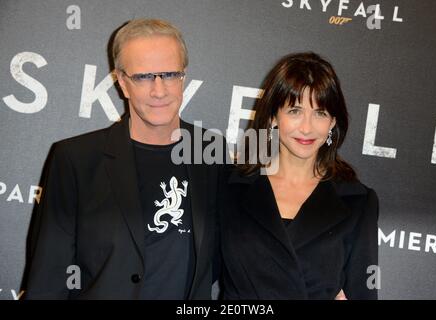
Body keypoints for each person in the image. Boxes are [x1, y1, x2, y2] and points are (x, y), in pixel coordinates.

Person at [22, 18, 225, 299]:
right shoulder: (75, 159)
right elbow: (48, 278)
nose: (159, 90)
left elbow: (220, 259)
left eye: (169, 74)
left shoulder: (210, 150)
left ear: (183, 78)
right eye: (143, 77)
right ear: (122, 83)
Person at [220, 52, 379, 300]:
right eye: (295, 111)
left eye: (320, 113)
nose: (307, 127)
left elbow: (363, 292)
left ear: (333, 122)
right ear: (273, 117)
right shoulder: (230, 186)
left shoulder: (357, 201)